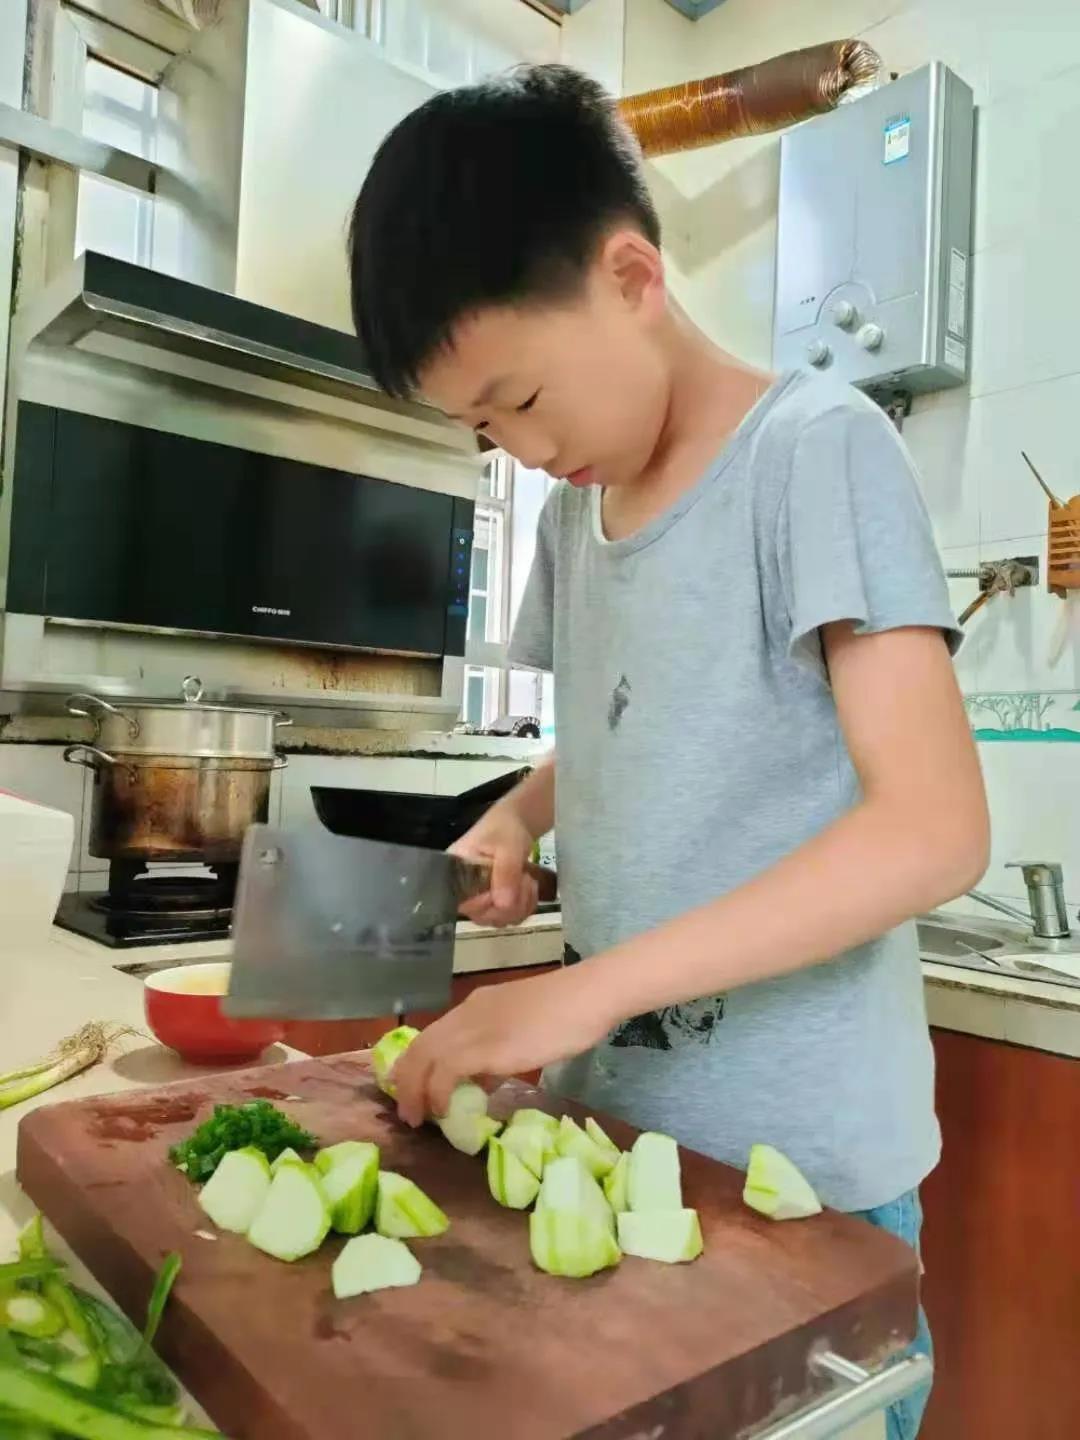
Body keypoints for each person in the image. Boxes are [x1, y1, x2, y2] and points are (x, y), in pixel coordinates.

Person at [347, 64, 988, 1440]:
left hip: (799, 1180)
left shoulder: (817, 451)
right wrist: (521, 815)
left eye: (524, 397)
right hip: (611, 1145)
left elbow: (934, 830)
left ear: (631, 277)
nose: (526, 450)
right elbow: (626, 719)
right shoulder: (573, 519)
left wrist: (583, 993)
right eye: (485, 431)